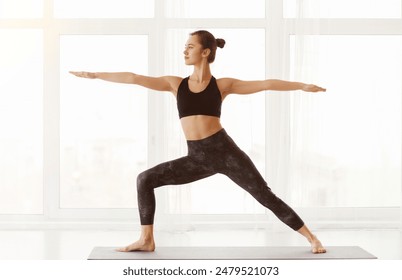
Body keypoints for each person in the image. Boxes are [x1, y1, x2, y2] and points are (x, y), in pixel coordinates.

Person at [70, 30, 327, 254]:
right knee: (145, 179)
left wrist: (302, 86)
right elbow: (134, 77)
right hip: (196, 157)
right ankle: (146, 239)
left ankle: (312, 238)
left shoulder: (223, 85)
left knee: (264, 195)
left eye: (190, 46)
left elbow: (266, 84)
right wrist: (95, 74)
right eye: (185, 46)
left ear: (205, 52)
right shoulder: (175, 84)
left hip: (225, 152)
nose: (184, 50)